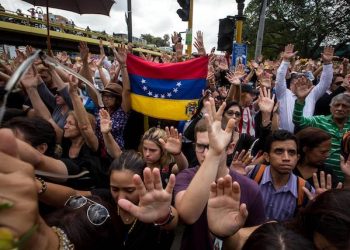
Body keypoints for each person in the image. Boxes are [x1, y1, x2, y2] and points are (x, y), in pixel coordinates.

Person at [37, 150, 178, 250]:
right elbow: (73, 195)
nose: (121, 198)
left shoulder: (153, 204)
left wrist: (163, 216)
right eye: (115, 189)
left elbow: (173, 220)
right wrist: (38, 186)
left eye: (129, 190)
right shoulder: (106, 199)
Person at [174, 98, 265, 250]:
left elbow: (257, 236)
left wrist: (230, 235)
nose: (207, 153)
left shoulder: (250, 188)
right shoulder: (186, 177)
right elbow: (187, 215)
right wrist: (216, 153)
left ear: (230, 148)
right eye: (201, 147)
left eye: (213, 146)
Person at [247, 130, 314, 221]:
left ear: (297, 158)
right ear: (267, 156)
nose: (286, 158)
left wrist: (319, 207)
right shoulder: (252, 174)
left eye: (291, 152)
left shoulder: (305, 190)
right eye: (279, 151)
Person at [293, 81, 350, 181]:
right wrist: (300, 100)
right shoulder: (319, 120)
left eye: (344, 106)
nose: (340, 108)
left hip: (346, 176)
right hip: (322, 176)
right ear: (331, 108)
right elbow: (298, 121)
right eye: (336, 105)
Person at [275, 44, 334, 132]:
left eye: (303, 81)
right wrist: (286, 60)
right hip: (285, 138)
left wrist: (327, 64)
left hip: (305, 139)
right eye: (297, 81)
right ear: (290, 84)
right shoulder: (283, 93)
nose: (301, 83)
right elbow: (279, 78)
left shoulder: (311, 95)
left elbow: (325, 83)